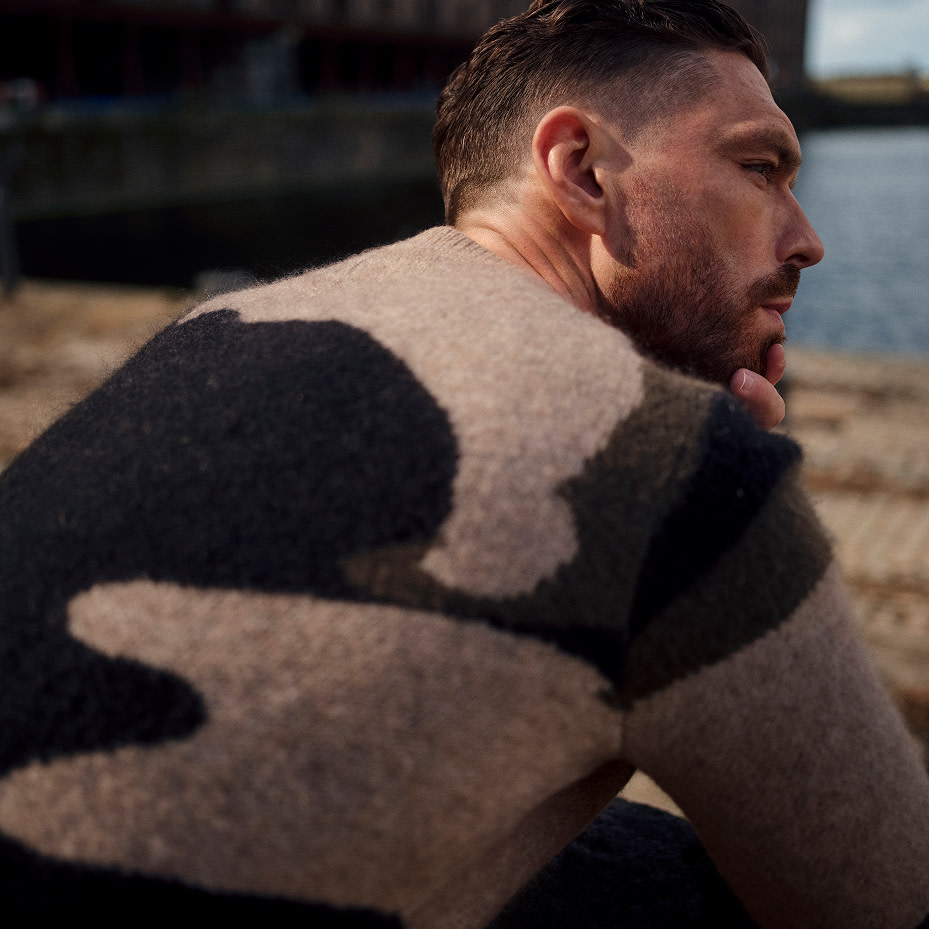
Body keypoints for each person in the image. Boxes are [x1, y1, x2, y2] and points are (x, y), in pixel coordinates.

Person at [0, 1, 926, 926]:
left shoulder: (214, 333)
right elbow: (886, 893)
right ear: (582, 171)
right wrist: (734, 503)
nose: (807, 239)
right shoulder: (656, 457)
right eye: (759, 168)